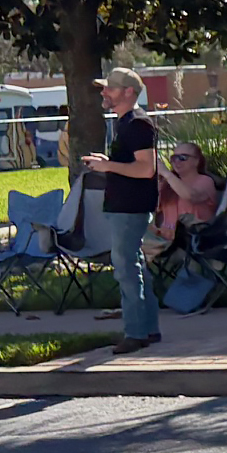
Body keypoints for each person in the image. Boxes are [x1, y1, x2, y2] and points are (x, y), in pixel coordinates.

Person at [80, 68, 161, 353]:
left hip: (130, 209)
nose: (104, 92)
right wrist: (108, 162)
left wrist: (108, 166)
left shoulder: (138, 124)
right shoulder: (126, 123)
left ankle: (136, 333)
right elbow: (133, 164)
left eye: (110, 88)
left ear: (129, 92)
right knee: (134, 267)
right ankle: (149, 330)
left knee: (126, 270)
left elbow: (146, 168)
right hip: (124, 207)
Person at [148, 140, 220, 261]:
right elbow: (153, 205)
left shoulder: (205, 181)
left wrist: (166, 173)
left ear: (196, 161)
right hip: (166, 240)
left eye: (182, 158)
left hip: (194, 240)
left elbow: (190, 196)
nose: (176, 161)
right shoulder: (167, 184)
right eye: (174, 157)